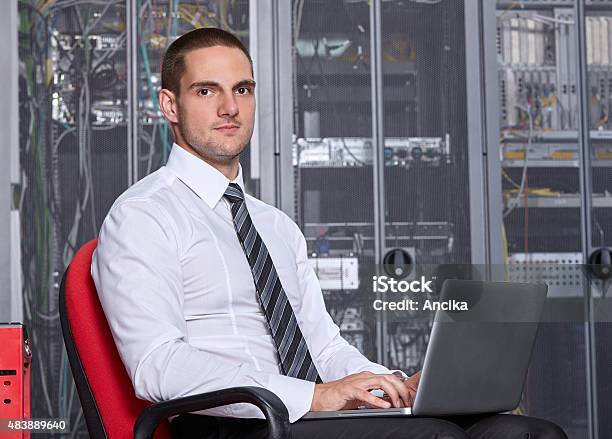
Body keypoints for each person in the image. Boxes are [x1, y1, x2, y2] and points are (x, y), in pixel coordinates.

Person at [91, 27, 567, 439]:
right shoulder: (143, 216)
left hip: (308, 419)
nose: (230, 107)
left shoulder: (276, 226)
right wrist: (315, 396)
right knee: (433, 436)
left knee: (527, 432)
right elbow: (159, 367)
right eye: (206, 91)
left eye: (243, 89)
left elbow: (321, 345)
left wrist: (391, 383)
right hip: (235, 424)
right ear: (169, 105)